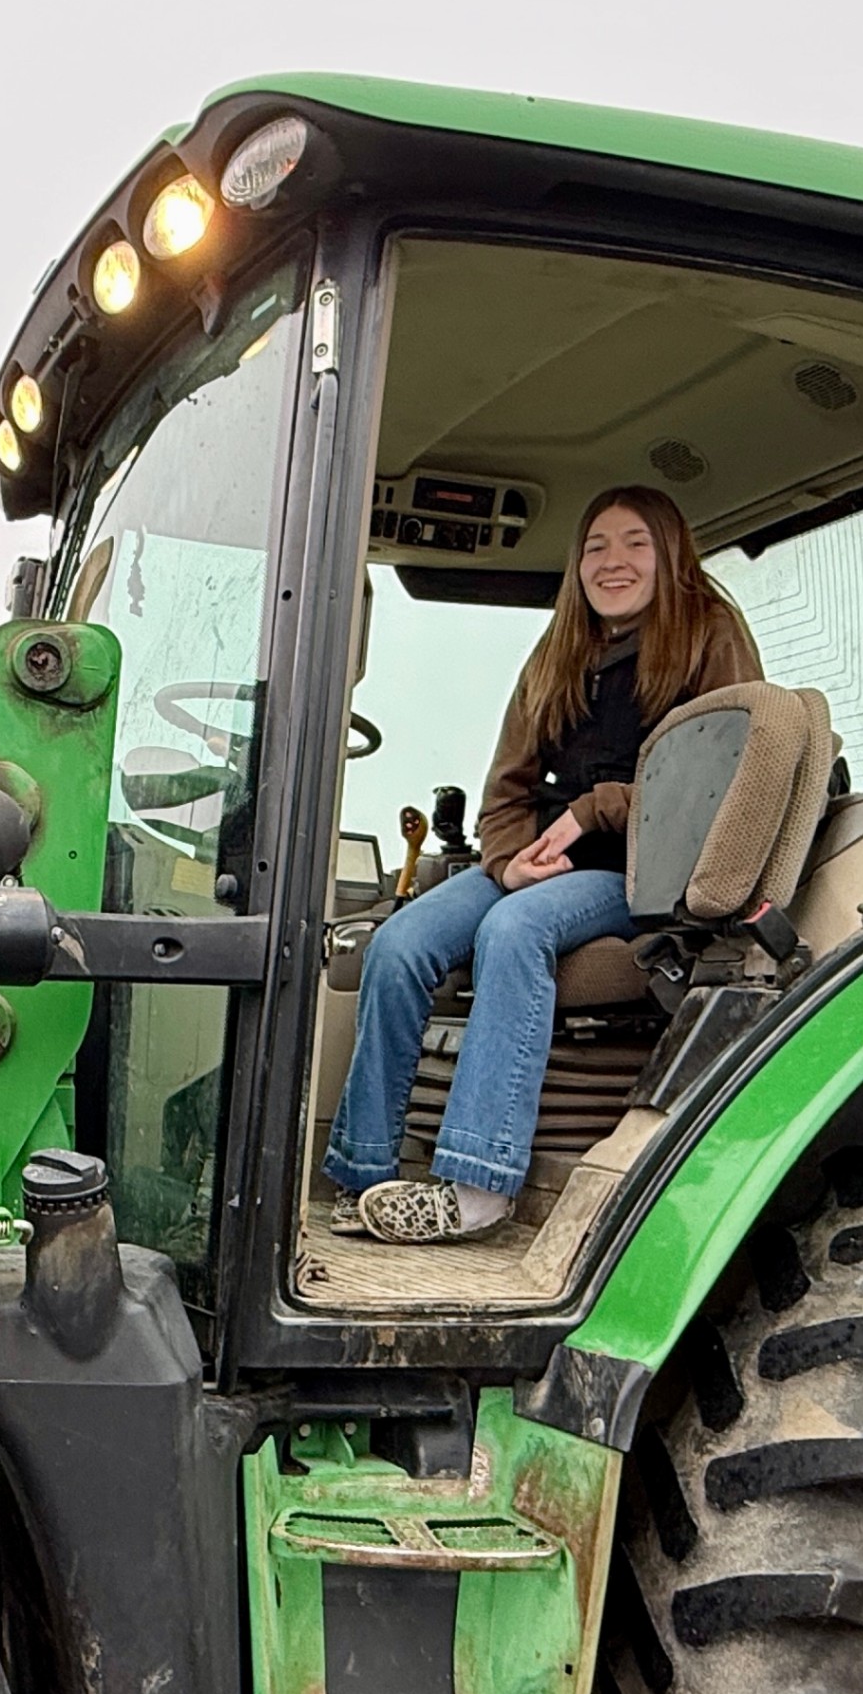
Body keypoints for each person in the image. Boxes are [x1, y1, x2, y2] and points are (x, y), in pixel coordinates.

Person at [325, 484, 763, 1243]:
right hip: (542, 863)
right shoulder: (559, 653)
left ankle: (479, 1184)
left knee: (515, 931)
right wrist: (505, 863)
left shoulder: (709, 636)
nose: (612, 561)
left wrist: (591, 812)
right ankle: (365, 1176)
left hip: (647, 875)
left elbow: (713, 783)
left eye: (634, 544)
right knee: (397, 943)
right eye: (595, 547)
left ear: (670, 555)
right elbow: (507, 791)